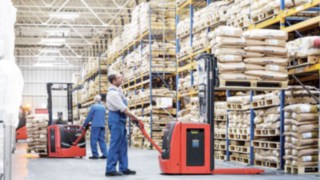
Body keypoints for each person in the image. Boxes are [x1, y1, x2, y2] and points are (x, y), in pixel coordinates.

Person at [105, 72, 140, 177]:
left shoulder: (119, 91)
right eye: (119, 78)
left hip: (121, 120)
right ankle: (110, 169)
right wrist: (136, 118)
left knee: (123, 145)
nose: (122, 79)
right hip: (115, 120)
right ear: (113, 81)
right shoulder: (113, 94)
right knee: (115, 145)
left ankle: (123, 168)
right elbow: (124, 109)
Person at [83, 95, 108, 160]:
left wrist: (85, 124)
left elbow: (89, 117)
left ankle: (95, 154)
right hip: (102, 125)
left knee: (93, 140)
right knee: (102, 140)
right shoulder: (103, 107)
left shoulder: (94, 107)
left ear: (95, 100)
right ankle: (105, 154)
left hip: (95, 126)